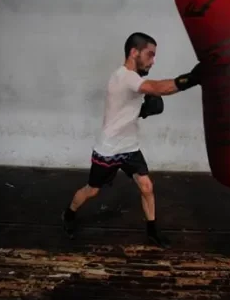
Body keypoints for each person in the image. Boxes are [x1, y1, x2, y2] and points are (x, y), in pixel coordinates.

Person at [61, 32, 201, 248]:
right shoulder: (124, 76)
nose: (153, 61)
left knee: (146, 186)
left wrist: (142, 110)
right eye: (150, 55)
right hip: (108, 149)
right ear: (134, 52)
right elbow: (156, 88)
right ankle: (68, 214)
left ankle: (152, 231)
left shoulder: (131, 79)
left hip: (129, 146)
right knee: (92, 190)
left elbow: (130, 103)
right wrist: (190, 79)